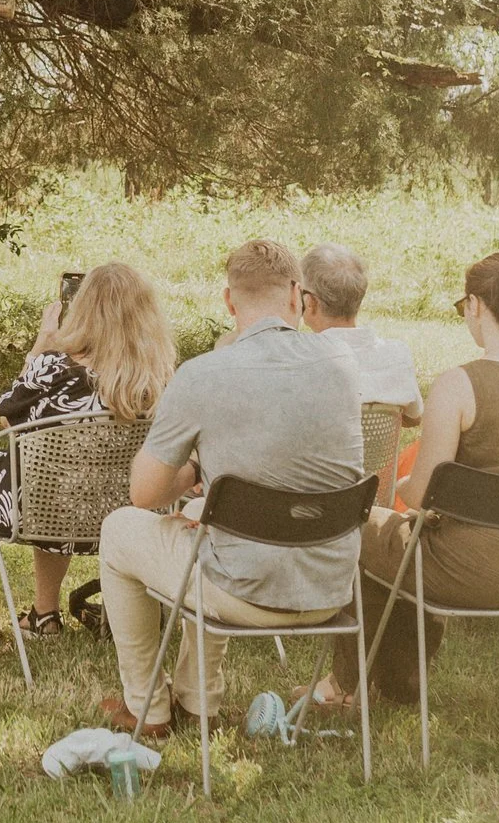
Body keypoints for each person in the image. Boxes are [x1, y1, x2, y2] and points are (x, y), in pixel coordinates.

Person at [98, 240, 365, 739]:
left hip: (246, 591)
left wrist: (199, 464)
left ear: (228, 302)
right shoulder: (342, 363)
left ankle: (147, 711)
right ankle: (199, 703)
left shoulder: (202, 375)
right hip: (331, 587)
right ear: (296, 295)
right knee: (210, 520)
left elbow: (145, 493)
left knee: (120, 530)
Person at [317, 254, 499, 705]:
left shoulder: (459, 384)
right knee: (406, 542)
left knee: (369, 526)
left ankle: (345, 687)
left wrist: (406, 487)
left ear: (475, 306)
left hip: (468, 570)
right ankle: (399, 678)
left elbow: (423, 493)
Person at [0, 262, 174, 643]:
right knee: (58, 478)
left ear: (81, 311)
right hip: (127, 513)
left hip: (46, 509)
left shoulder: (52, 368)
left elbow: (9, 422)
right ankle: (42, 614)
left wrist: (40, 347)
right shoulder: (161, 379)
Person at [297, 243, 421, 423]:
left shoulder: (300, 359)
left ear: (309, 302)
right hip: (381, 452)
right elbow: (414, 418)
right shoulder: (397, 353)